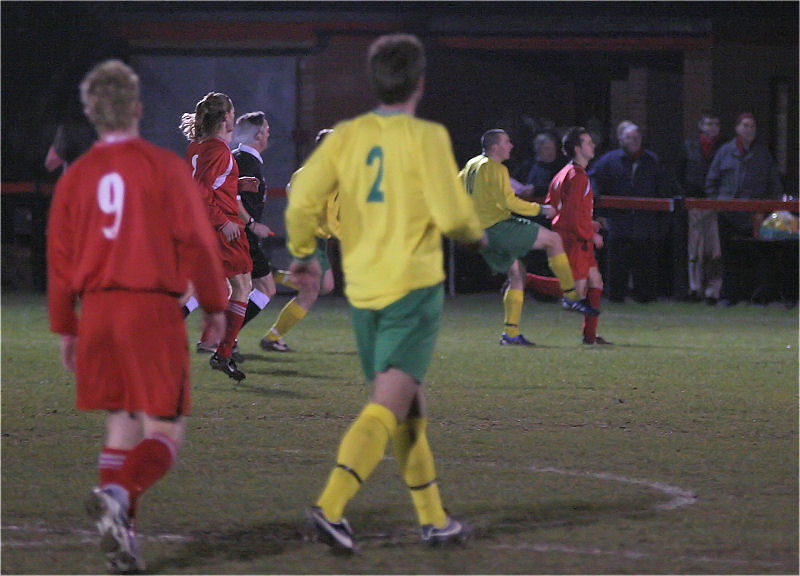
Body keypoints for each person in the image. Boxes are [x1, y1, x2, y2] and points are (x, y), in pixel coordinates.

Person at [286, 33, 485, 553]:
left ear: (373, 81)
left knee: (409, 406)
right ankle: (330, 506)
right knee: (387, 406)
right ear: (420, 83)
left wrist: (304, 250)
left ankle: (434, 519)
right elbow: (452, 215)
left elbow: (303, 194)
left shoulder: (347, 137)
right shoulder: (427, 138)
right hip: (412, 292)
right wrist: (476, 231)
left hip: (365, 292)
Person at [47, 59, 228, 574]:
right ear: (138, 109)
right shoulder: (164, 166)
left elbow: (61, 264)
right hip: (151, 309)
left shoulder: (76, 178)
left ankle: (123, 541)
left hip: (99, 312)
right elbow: (195, 242)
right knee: (165, 433)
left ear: (91, 114)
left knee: (122, 426)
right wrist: (214, 306)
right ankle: (118, 495)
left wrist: (66, 327)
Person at [461, 128, 599, 346]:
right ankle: (571, 296)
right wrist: (540, 210)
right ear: (495, 147)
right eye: (507, 142)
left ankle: (511, 333)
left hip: (481, 233)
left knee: (516, 275)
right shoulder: (494, 167)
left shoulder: (472, 165)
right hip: (498, 227)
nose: (511, 146)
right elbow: (509, 202)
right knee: (553, 240)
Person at [180, 92, 258, 380]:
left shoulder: (198, 147)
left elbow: (208, 183)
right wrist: (224, 221)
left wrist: (238, 182)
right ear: (225, 118)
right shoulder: (219, 150)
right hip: (219, 230)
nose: (235, 117)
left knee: (199, 288)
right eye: (233, 112)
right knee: (242, 285)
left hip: (201, 227)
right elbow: (200, 194)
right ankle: (223, 353)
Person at [260, 128, 339, 352]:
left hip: (320, 239)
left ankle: (276, 275)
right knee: (311, 291)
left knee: (326, 286)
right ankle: (273, 338)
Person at [705, 112, 783, 305]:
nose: (749, 130)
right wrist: (718, 203)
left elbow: (774, 185)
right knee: (730, 257)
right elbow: (711, 182)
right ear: (737, 128)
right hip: (728, 215)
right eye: (746, 126)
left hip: (755, 216)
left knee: (758, 258)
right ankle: (728, 296)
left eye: (753, 126)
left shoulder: (763, 154)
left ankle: (758, 297)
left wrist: (768, 209)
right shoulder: (724, 151)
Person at [589, 122, 671, 303]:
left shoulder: (652, 161)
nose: (634, 141)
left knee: (645, 266)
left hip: (645, 224)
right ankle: (616, 298)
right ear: (620, 139)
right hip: (619, 224)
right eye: (629, 137)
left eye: (637, 137)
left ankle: (646, 299)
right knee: (617, 266)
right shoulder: (608, 161)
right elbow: (592, 181)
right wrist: (599, 208)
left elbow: (663, 188)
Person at [546, 128, 611, 344]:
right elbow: (571, 214)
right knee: (573, 291)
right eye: (588, 142)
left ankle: (590, 336)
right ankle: (525, 280)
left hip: (572, 236)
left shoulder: (563, 173)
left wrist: (587, 223)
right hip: (575, 239)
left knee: (596, 281)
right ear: (577, 148)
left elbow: (554, 207)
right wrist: (590, 233)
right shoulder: (578, 176)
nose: (593, 146)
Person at [679, 112, 723, 304]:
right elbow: (680, 172)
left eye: (715, 123)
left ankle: (713, 291)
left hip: (715, 202)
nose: (711, 127)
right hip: (694, 202)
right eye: (708, 123)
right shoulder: (689, 146)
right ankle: (694, 288)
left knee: (714, 251)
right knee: (695, 249)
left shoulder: (723, 148)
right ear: (701, 126)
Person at [523, 131, 566, 196]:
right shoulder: (528, 164)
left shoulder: (560, 167)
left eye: (553, 149)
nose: (551, 153)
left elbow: (560, 186)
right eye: (547, 149)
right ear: (538, 149)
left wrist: (536, 189)